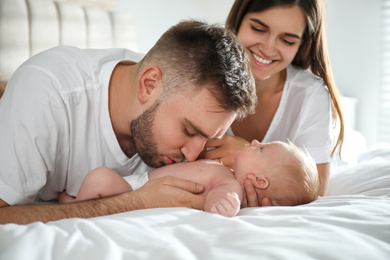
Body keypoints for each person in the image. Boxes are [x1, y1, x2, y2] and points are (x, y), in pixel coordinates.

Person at [0, 20, 256, 224]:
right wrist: (136, 202)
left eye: (208, 138)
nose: (192, 155)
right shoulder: (46, 91)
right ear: (149, 85)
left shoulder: (196, 101)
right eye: (188, 130)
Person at [201, 0, 345, 202]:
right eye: (259, 29)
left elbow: (316, 192)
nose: (268, 49)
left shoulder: (310, 95)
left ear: (302, 44)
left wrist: (244, 153)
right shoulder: (200, 75)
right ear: (238, 21)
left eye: (287, 40)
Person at [59, 140, 320, 217]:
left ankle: (75, 209)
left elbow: (220, 198)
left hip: (138, 188)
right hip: (140, 182)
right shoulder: (226, 172)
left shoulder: (230, 185)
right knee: (101, 178)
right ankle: (80, 204)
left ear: (259, 181)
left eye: (261, 149)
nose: (253, 142)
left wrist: (224, 203)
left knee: (100, 178)